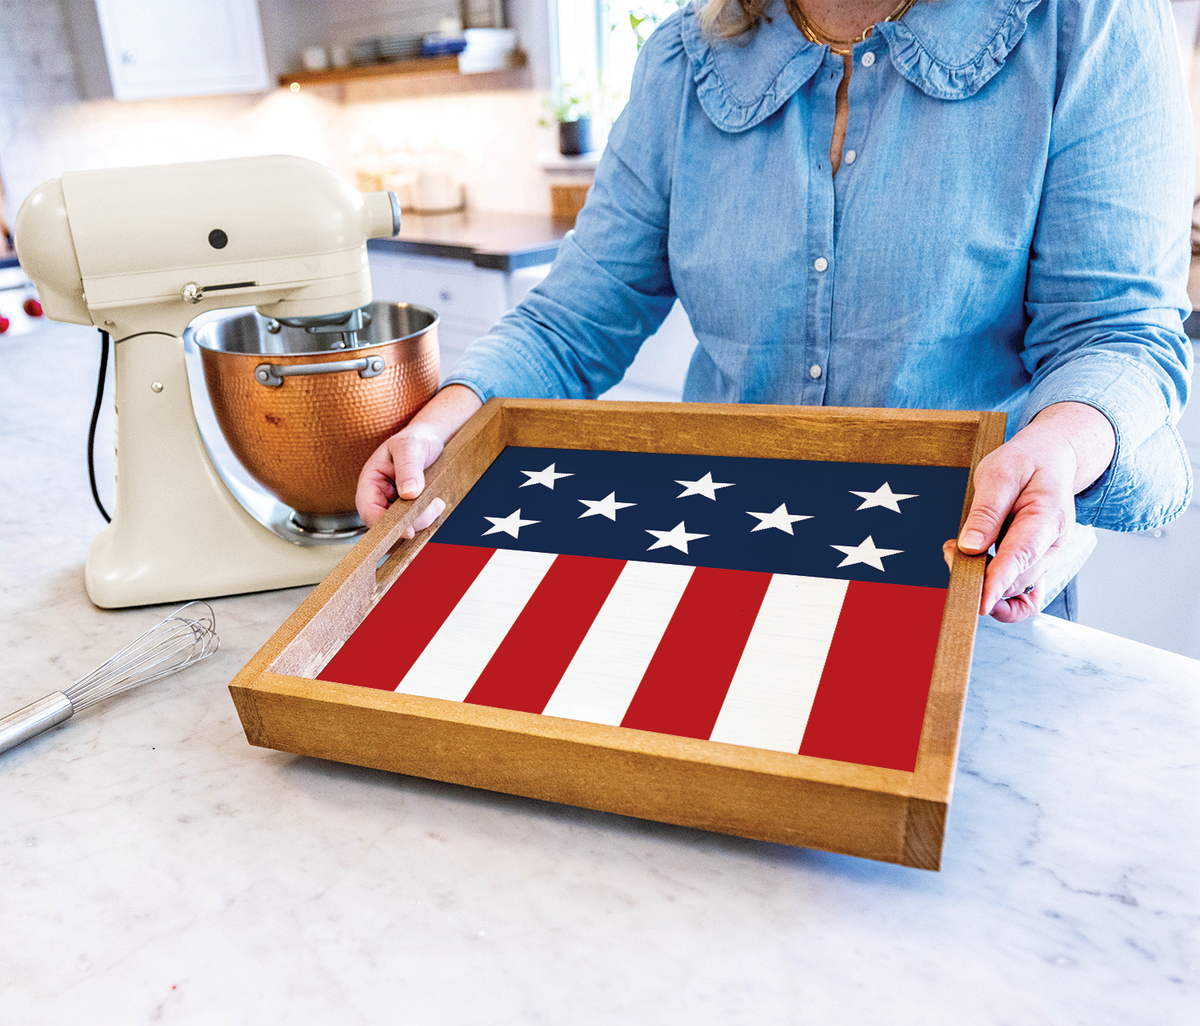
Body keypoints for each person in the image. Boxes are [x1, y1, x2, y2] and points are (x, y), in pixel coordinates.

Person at [357, 0, 1194, 623]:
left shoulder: (1087, 25)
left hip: (967, 590)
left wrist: (1059, 446)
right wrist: (447, 421)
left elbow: (1115, 334)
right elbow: (570, 323)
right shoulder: (682, 59)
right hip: (722, 573)